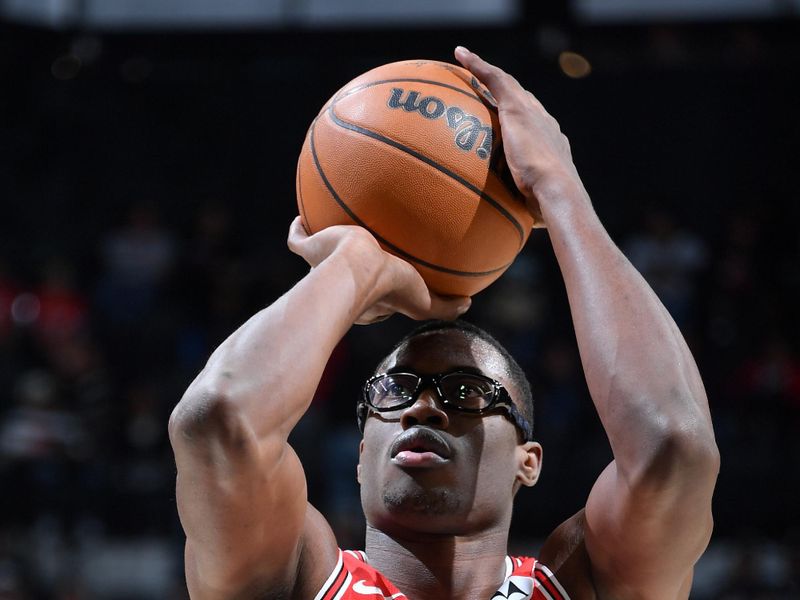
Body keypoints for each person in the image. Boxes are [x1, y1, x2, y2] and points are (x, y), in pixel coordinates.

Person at [168, 47, 720, 599]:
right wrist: (357, 265)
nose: (421, 405)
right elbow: (216, 421)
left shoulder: (579, 585)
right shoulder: (297, 579)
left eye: (468, 391)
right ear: (361, 455)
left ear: (527, 463)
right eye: (393, 389)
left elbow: (675, 448)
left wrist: (559, 188)